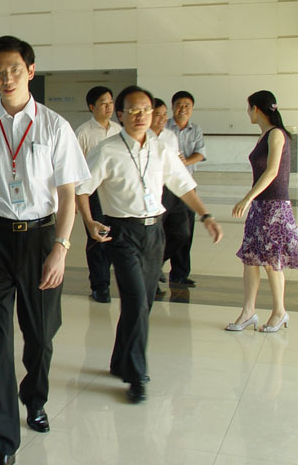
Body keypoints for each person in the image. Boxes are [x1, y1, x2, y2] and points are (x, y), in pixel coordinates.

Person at [0, 35, 89, 465]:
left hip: (41, 239)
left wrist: (61, 249)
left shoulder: (55, 126)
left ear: (30, 71)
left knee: (41, 336)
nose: (6, 77)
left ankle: (34, 396)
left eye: (14, 69)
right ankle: (3, 444)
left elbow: (67, 196)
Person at [76, 85, 222, 405]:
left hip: (154, 232)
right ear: (121, 114)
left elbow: (183, 185)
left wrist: (206, 215)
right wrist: (88, 221)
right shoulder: (107, 150)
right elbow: (82, 188)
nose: (141, 115)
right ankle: (136, 374)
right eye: (133, 110)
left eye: (146, 110)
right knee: (137, 301)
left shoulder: (161, 148)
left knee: (143, 304)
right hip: (122, 233)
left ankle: (120, 360)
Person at [226, 90, 298, 333]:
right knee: (251, 258)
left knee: (271, 260)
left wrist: (247, 198)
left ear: (255, 109)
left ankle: (279, 311)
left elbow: (272, 171)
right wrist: (253, 200)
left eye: (249, 108)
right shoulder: (264, 135)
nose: (248, 113)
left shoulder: (276, 134)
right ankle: (248, 312)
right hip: (261, 205)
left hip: (274, 206)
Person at [74, 86, 122, 303]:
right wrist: (75, 199)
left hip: (115, 193)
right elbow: (75, 168)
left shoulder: (119, 130)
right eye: (103, 103)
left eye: (111, 102)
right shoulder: (83, 133)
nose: (108, 107)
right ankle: (100, 286)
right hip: (93, 194)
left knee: (117, 238)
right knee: (98, 238)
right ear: (92, 107)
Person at [166, 90, 207, 287]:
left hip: (187, 187)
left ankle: (180, 273)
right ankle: (155, 266)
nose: (183, 109)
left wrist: (185, 162)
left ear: (192, 109)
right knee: (165, 229)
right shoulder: (164, 127)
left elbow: (201, 153)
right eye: (179, 105)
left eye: (187, 105)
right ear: (172, 107)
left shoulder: (196, 129)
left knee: (185, 230)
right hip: (166, 187)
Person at [150, 98, 189, 296]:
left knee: (181, 233)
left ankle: (156, 264)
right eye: (158, 114)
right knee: (156, 236)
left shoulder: (170, 136)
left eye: (165, 114)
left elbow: (175, 165)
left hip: (172, 191)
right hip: (152, 192)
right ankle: (152, 277)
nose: (163, 118)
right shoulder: (143, 137)